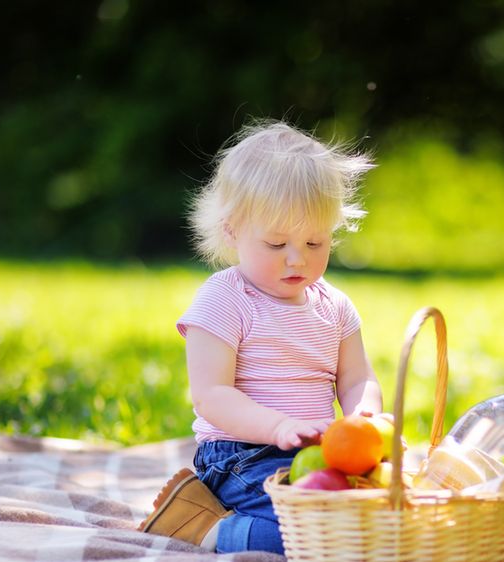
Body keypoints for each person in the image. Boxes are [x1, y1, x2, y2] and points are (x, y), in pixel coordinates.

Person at [139, 121, 383, 554]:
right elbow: (211, 395)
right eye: (276, 244)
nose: (297, 259)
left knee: (372, 519)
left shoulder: (335, 306)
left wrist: (365, 417)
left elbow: (356, 378)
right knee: (314, 536)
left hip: (316, 455)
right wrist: (278, 426)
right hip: (240, 454)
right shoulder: (226, 298)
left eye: (315, 242)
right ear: (232, 231)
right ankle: (204, 527)